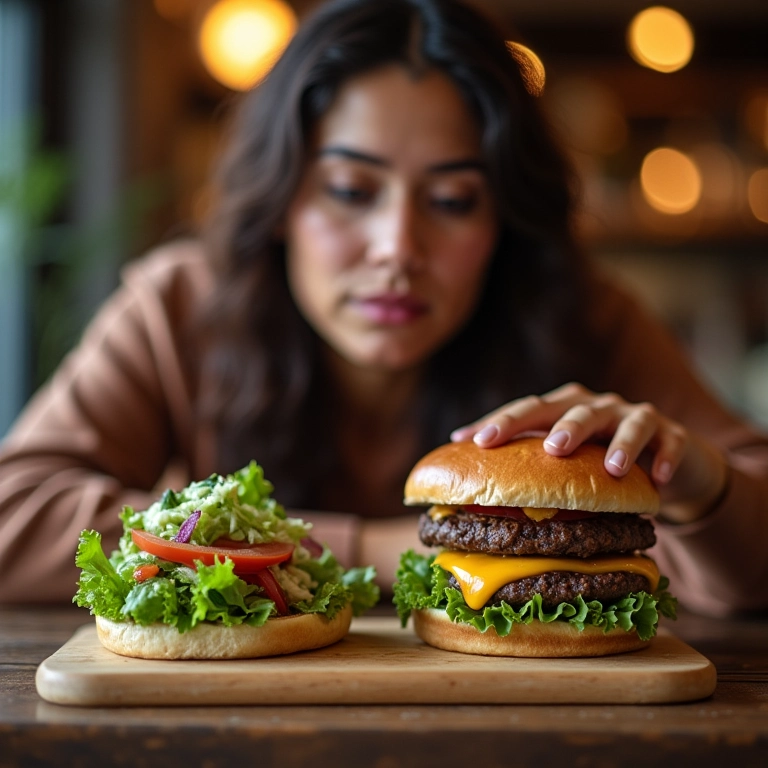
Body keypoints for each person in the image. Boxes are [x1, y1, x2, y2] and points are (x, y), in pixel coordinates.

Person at [0, 0, 766, 616]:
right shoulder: (181, 304)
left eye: (452, 200)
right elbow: (14, 516)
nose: (398, 247)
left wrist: (701, 483)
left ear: (505, 220)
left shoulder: (586, 315)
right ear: (281, 199)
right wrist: (372, 550)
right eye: (350, 191)